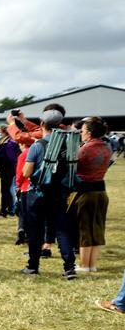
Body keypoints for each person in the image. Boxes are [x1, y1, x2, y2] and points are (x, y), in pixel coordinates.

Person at [20, 107, 76, 279]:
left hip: (38, 194)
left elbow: (26, 173)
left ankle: (33, 266)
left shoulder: (38, 146)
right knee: (62, 230)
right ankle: (69, 268)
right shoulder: (70, 144)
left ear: (42, 124)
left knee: (35, 230)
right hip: (59, 193)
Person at [73, 117, 112, 273]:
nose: (81, 133)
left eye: (82, 131)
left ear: (88, 133)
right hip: (101, 191)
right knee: (97, 228)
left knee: (84, 229)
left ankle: (84, 265)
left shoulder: (84, 149)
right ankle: (92, 265)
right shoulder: (107, 147)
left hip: (86, 192)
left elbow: (75, 169)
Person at [0, 125, 19, 217]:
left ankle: (6, 210)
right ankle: (7, 209)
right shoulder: (5, 142)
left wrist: (1, 169)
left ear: (5, 132)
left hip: (7, 170)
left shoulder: (9, 143)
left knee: (6, 190)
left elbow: (10, 158)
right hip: (7, 169)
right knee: (7, 190)